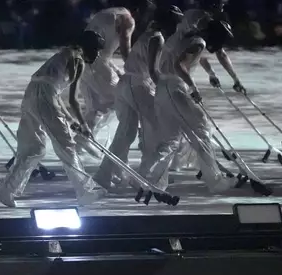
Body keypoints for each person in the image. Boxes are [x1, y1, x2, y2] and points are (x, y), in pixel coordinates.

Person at [0, 30, 107, 208]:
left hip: (32, 94)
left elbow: (53, 91)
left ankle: (6, 190)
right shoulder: (77, 60)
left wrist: (71, 121)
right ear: (89, 48)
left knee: (34, 148)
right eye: (96, 50)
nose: (98, 54)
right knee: (66, 145)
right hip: (43, 97)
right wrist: (85, 126)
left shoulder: (63, 54)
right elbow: (72, 100)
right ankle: (85, 191)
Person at [93, 5, 184, 190]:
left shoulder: (147, 33)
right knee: (157, 130)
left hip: (125, 84)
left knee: (125, 134)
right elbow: (153, 70)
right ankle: (147, 176)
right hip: (138, 86)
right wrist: (165, 89)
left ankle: (104, 174)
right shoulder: (157, 38)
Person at [146, 18, 238, 193]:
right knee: (201, 130)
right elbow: (179, 65)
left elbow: (192, 59)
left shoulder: (183, 35)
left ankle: (153, 180)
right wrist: (193, 87)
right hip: (176, 88)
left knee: (170, 140)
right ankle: (215, 181)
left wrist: (210, 73)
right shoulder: (198, 42)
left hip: (162, 88)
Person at [166, 0, 247, 171]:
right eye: (221, 4)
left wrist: (211, 73)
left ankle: (179, 163)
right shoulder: (204, 21)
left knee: (180, 123)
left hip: (172, 71)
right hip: (177, 76)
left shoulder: (191, 16)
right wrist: (235, 79)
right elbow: (214, 51)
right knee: (199, 123)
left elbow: (197, 53)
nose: (223, 7)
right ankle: (208, 168)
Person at [78, 1, 153, 145]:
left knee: (96, 108)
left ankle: (84, 139)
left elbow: (104, 51)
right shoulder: (128, 19)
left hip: (82, 61)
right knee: (120, 99)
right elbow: (125, 49)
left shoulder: (109, 13)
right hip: (96, 62)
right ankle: (85, 139)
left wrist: (117, 70)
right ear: (139, 12)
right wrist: (137, 71)